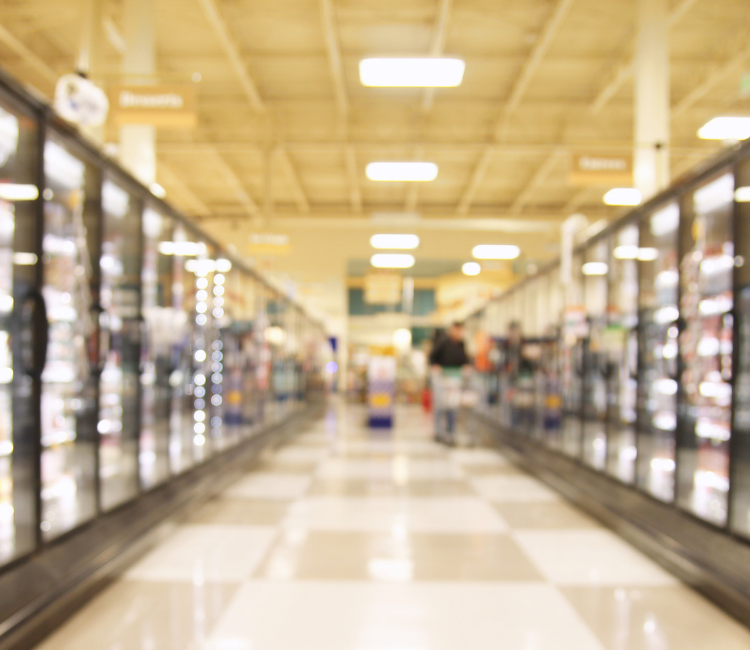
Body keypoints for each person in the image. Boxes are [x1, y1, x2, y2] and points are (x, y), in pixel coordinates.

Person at [429, 322, 471, 444]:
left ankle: (451, 432)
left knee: (453, 407)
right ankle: (438, 432)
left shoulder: (461, 344)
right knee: (440, 406)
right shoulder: (443, 342)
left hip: (455, 379)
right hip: (442, 379)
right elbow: (432, 357)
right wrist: (435, 366)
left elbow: (465, 360)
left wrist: (466, 367)